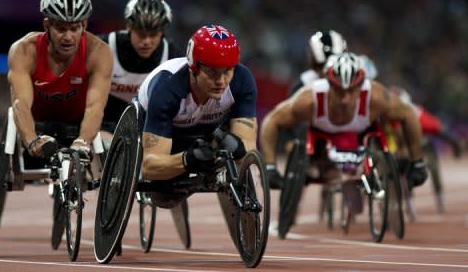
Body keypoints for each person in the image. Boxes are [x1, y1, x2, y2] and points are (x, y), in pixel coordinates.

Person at [260, 52, 428, 199]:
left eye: (352, 91)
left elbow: (408, 115)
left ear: (362, 86)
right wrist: (270, 167)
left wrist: (417, 161)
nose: (345, 99)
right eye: (339, 91)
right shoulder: (309, 99)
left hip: (361, 136)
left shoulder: (376, 97)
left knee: (390, 125)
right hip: (322, 143)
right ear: (328, 85)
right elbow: (272, 121)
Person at [137, 24, 258, 206]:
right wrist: (187, 159)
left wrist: (237, 150)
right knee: (165, 199)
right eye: (212, 72)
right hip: (168, 132)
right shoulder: (167, 90)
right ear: (194, 68)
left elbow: (249, 149)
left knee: (236, 147)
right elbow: (150, 167)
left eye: (227, 71)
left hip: (209, 129)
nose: (221, 81)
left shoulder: (242, 79)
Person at [7, 0, 113, 167]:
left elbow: (95, 107)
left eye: (74, 28)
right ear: (47, 25)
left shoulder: (98, 52)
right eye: (61, 29)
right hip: (37, 124)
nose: (68, 37)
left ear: (84, 25)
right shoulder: (24, 50)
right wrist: (32, 141)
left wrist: (83, 141)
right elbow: (20, 103)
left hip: (77, 123)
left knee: (103, 147)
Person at [99, 0, 184, 141]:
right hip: (104, 127)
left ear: (162, 32)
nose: (146, 41)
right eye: (141, 33)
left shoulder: (172, 55)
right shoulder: (105, 46)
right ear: (129, 27)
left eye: (153, 35)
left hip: (146, 130)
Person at [268, 29, 348, 189]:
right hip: (310, 136)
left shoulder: (350, 81)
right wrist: (292, 141)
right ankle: (316, 160)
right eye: (321, 66)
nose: (325, 72)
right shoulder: (303, 83)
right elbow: (287, 117)